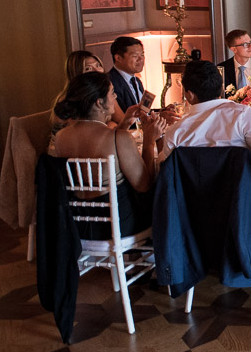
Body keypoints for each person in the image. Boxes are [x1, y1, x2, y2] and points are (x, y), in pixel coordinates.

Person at [50, 71, 166, 240]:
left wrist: (125, 122)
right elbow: (145, 185)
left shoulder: (61, 137)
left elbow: (104, 143)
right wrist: (149, 140)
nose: (116, 96)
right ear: (99, 103)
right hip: (119, 226)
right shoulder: (118, 138)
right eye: (112, 93)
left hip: (80, 225)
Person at [157, 60, 251, 164]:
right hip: (239, 188)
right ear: (221, 86)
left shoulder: (176, 132)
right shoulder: (243, 116)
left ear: (190, 94)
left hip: (194, 189)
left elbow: (165, 172)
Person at [108, 36, 147, 113]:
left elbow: (143, 112)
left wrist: (162, 113)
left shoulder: (137, 81)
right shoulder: (110, 82)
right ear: (118, 58)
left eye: (142, 55)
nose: (141, 59)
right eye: (135, 56)